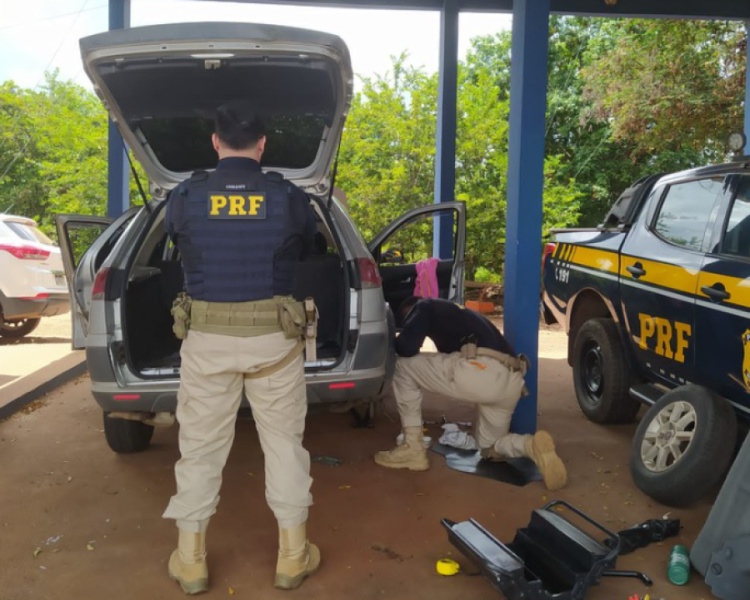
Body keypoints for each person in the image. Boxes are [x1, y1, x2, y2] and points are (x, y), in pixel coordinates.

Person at [162, 99, 319, 595]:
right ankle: (293, 557)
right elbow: (310, 245)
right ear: (262, 144)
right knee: (284, 447)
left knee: (200, 451)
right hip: (273, 341)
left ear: (215, 141)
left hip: (207, 341)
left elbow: (174, 243)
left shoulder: (186, 196)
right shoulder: (289, 197)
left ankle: (191, 562)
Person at [374, 296, 567, 491]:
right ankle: (530, 446)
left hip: (482, 370)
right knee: (488, 447)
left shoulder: (424, 306)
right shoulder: (462, 315)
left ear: (410, 310)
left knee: (401, 367)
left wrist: (394, 340)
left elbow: (407, 347)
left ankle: (412, 448)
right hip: (512, 380)